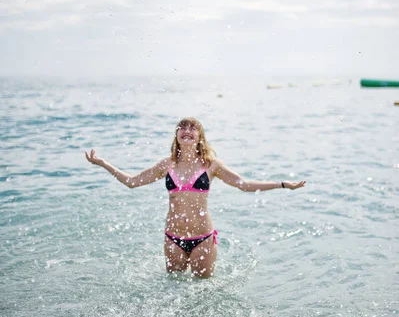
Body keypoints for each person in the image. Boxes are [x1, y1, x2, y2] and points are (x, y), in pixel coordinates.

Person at [85, 117, 306, 278]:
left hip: (203, 239)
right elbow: (132, 182)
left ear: (199, 137)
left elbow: (244, 184)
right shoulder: (167, 164)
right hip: (173, 238)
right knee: (173, 290)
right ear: (177, 135)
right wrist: (103, 164)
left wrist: (283, 184)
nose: (187, 130)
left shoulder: (210, 165)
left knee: (203, 295)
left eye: (193, 128)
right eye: (182, 127)